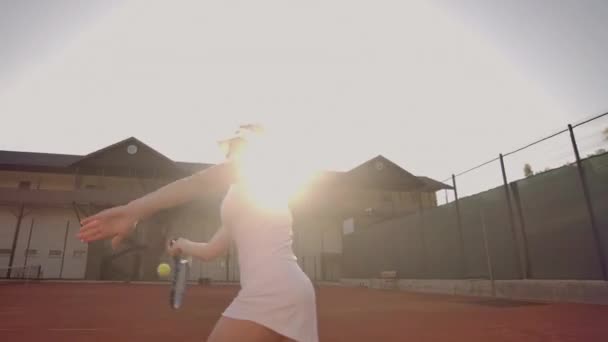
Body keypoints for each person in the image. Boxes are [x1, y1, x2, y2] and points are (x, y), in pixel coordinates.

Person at [78, 124, 319, 342]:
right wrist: (182, 244)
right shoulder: (240, 200)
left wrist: (135, 210)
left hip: (271, 290)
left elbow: (199, 182)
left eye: (236, 146)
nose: (229, 154)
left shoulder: (258, 172)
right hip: (295, 291)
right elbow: (211, 250)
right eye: (228, 149)